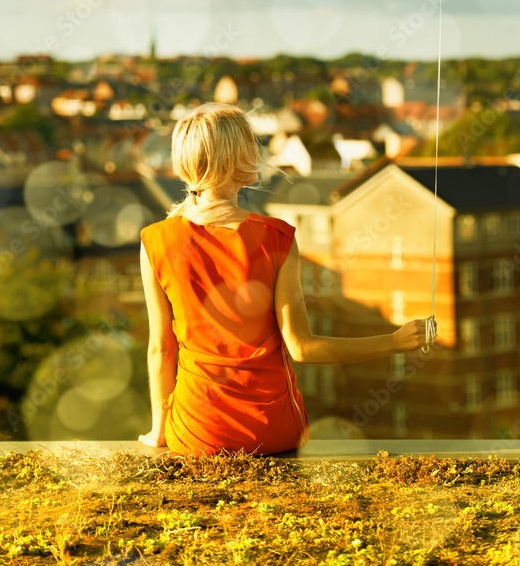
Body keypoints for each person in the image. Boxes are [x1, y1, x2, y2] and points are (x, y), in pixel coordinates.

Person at [138, 101, 437, 456]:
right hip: (271, 431)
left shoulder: (155, 241)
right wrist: (394, 341)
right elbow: (301, 348)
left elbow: (161, 349)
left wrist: (159, 430)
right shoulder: (275, 237)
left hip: (197, 432)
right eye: (251, 144)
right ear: (230, 159)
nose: (258, 152)